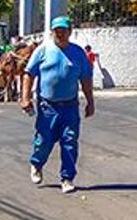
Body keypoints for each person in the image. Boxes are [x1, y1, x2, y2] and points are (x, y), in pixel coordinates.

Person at [21, 16, 95, 194]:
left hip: (70, 106)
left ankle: (67, 178)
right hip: (48, 107)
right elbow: (29, 74)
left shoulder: (78, 53)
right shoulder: (43, 51)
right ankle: (36, 164)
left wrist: (90, 102)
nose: (60, 34)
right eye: (57, 31)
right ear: (52, 32)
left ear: (70, 32)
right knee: (44, 141)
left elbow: (85, 78)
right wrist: (25, 98)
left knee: (69, 142)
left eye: (64, 30)